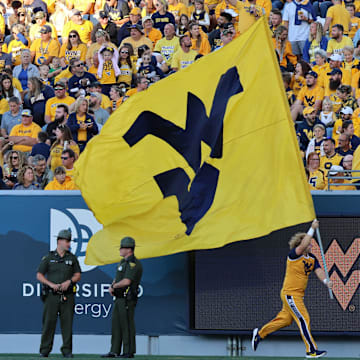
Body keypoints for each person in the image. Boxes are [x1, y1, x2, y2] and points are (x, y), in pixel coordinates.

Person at [252, 220, 332, 359]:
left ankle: (259, 334)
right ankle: (311, 350)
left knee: (285, 320)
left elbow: (319, 271)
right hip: (291, 294)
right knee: (304, 318)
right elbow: (303, 245)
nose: (311, 245)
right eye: (308, 243)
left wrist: (326, 281)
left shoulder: (312, 258)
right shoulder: (294, 255)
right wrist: (312, 229)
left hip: (297, 295)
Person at [36, 229, 81, 357]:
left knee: (67, 324)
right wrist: (51, 284)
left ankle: (67, 351)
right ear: (59, 241)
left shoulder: (72, 258)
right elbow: (39, 275)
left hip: (67, 295)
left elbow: (78, 275)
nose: (69, 244)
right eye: (67, 241)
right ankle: (44, 350)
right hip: (51, 296)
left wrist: (69, 282)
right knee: (48, 322)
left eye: (69, 241)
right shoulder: (48, 258)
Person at [102, 237, 143, 359]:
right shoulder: (122, 262)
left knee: (127, 324)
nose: (120, 250)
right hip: (119, 298)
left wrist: (114, 286)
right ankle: (114, 350)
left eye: (122, 247)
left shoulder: (133, 264)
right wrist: (112, 285)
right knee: (116, 324)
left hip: (127, 298)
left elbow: (126, 281)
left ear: (129, 249)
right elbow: (118, 277)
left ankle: (128, 351)